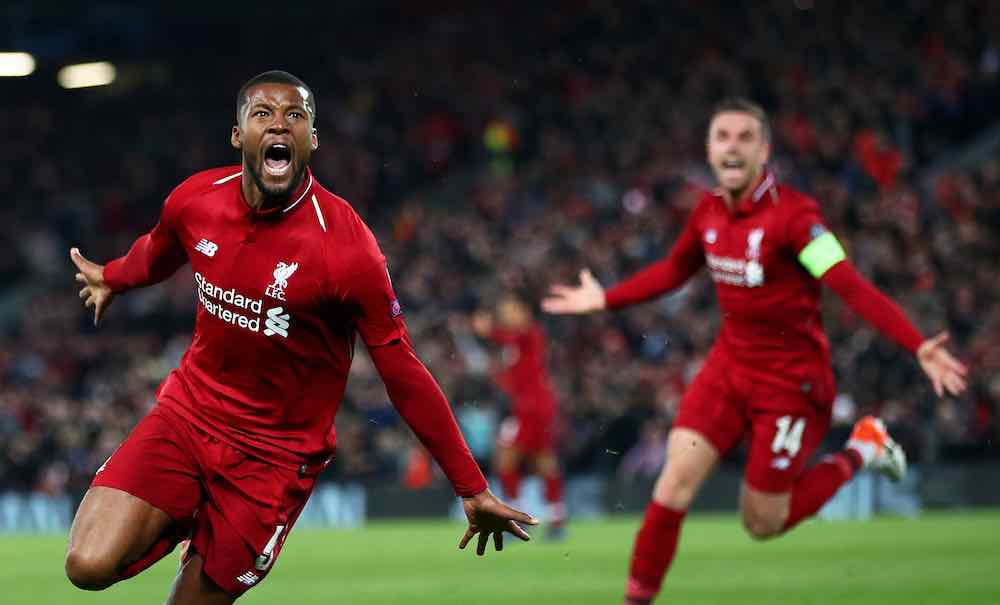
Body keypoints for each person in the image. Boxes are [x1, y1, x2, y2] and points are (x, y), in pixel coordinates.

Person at [65, 70, 537, 605]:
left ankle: (209, 530)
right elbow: (158, 250)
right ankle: (190, 517)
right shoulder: (196, 200)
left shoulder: (347, 247)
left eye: (296, 115)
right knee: (86, 564)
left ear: (312, 139)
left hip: (274, 457)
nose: (279, 125)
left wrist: (469, 486)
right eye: (262, 113)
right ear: (238, 134)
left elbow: (402, 371)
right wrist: (115, 277)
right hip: (188, 417)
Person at [542, 98, 968, 605]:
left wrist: (916, 344)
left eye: (746, 137)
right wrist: (605, 298)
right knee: (674, 480)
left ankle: (864, 449)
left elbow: (847, 284)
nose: (733, 146)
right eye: (723, 136)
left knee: (761, 522)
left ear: (764, 150)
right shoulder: (706, 215)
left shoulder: (796, 219)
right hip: (728, 370)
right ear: (709, 149)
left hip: (791, 385)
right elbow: (673, 271)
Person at [471, 294, 567, 539]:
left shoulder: (529, 334)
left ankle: (516, 518)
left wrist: (488, 331)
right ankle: (556, 519)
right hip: (533, 406)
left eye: (510, 309)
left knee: (506, 458)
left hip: (532, 407)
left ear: (525, 311)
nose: (506, 315)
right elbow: (518, 375)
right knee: (542, 459)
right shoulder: (514, 343)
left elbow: (510, 339)